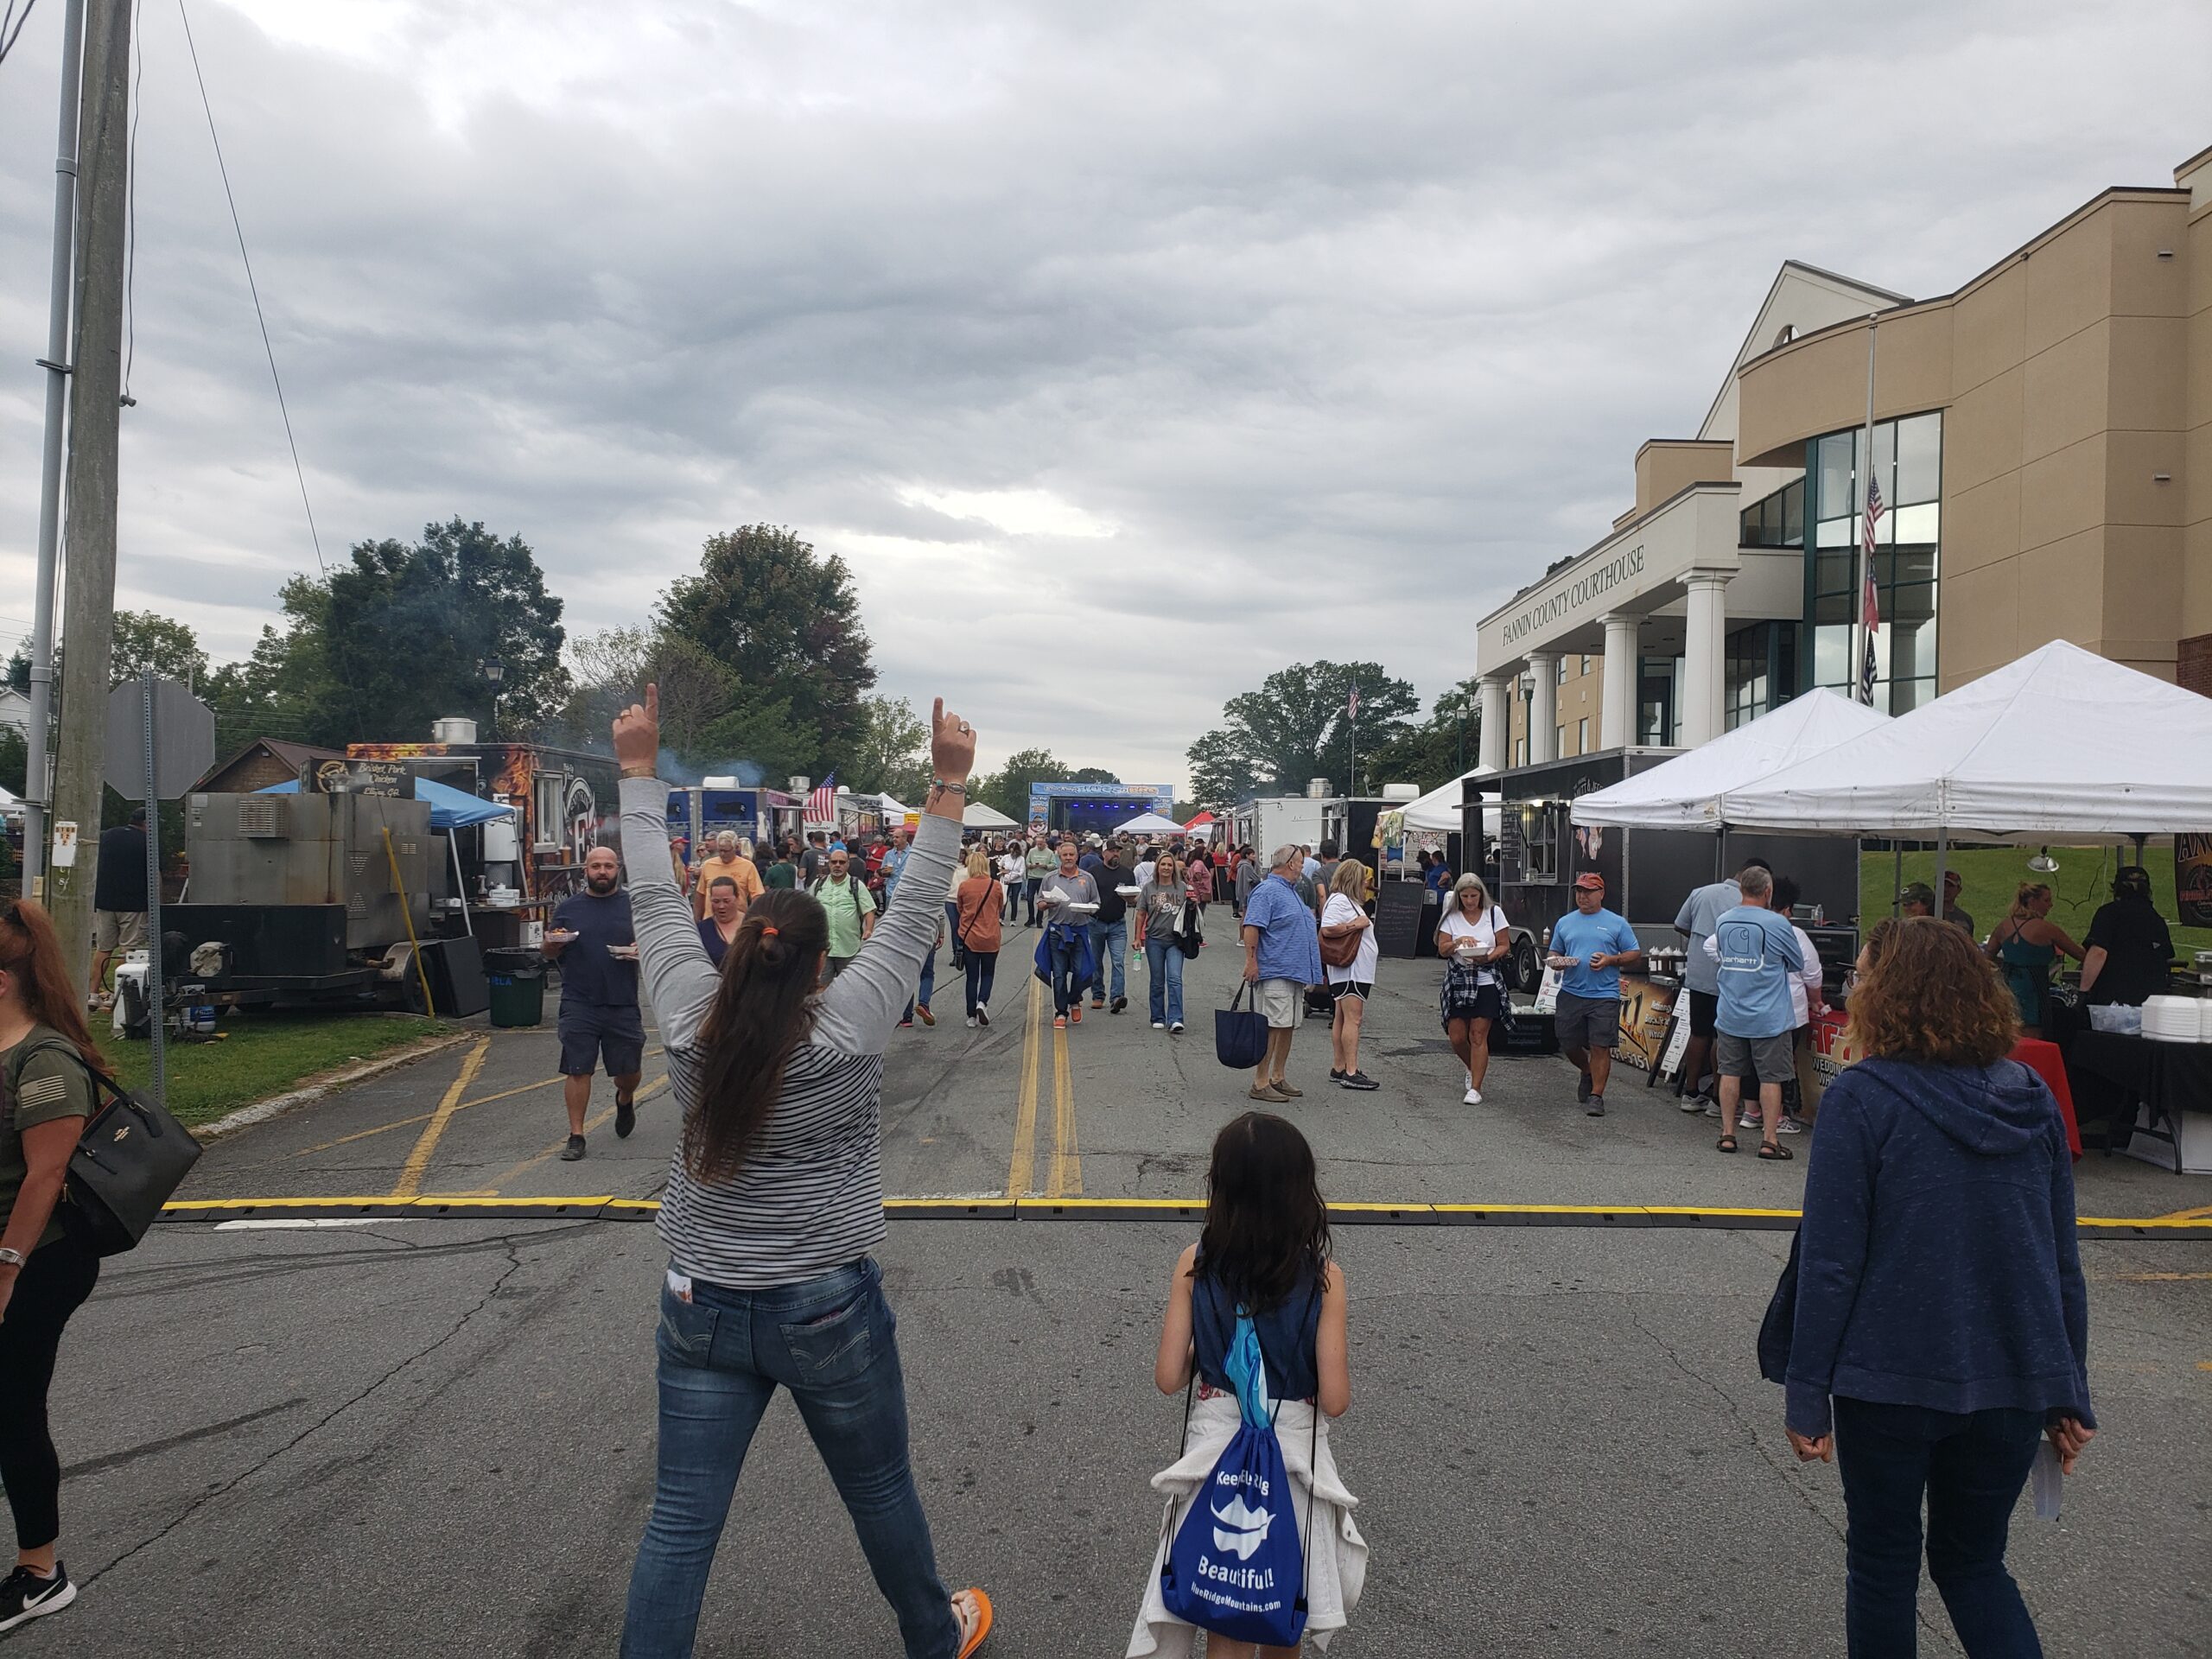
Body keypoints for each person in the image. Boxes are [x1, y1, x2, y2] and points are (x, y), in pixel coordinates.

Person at [611, 689, 993, 1659]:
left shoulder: (689, 1014)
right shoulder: (852, 1024)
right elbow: (912, 908)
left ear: (735, 943)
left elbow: (654, 893)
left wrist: (636, 770)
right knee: (879, 1491)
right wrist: (946, 784)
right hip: (823, 1299)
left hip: (700, 1295)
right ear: (823, 962)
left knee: (680, 1523)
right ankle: (929, 1634)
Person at [1783, 917, 2093, 1658]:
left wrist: (1806, 1390)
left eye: (1862, 975)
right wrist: (2067, 1387)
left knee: (1884, 1568)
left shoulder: (1863, 1097)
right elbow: (2059, 1258)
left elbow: (1830, 1259)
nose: (1854, 986)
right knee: (1975, 1563)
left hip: (1889, 1376)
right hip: (2012, 1378)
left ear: (1889, 994)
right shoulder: (2029, 1094)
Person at [1129, 1111, 1364, 1658]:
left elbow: (1169, 1377)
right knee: (1281, 1605)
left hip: (1218, 1460)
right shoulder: (1326, 1281)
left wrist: (1217, 1349)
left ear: (1222, 1189)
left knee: (1226, 1610)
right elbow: (1335, 1399)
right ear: (1301, 1194)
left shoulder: (1195, 1265)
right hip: (1291, 1469)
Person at [0, 899, 108, 1633]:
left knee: (12, 1412)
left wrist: (6, 1270)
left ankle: (41, 1573)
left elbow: (45, 1176)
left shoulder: (44, 1059)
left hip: (36, 1261)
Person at [543, 844, 645, 1161]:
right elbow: (550, 951)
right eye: (596, 866)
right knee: (578, 1069)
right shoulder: (569, 909)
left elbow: (651, 945)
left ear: (618, 869)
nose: (602, 871)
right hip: (579, 1000)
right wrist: (550, 945)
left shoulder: (633, 906)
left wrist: (641, 948)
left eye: (608, 866)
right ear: (585, 871)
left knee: (630, 1071)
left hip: (622, 1001)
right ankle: (576, 1135)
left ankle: (625, 1097)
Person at [1702, 864, 1803, 1160]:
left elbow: (1720, 955)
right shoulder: (1778, 924)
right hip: (1770, 1016)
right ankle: (1770, 1139)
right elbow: (1797, 963)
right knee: (1771, 1078)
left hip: (1731, 1010)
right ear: (1768, 891)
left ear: (1741, 889)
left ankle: (1728, 1134)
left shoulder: (1723, 921)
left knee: (1730, 1072)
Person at [1671, 861, 1764, 1117]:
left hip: (1698, 973)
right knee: (1720, 1037)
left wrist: (1699, 938)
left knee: (1698, 1033)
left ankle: (1690, 1093)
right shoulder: (1746, 901)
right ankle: (1717, 1097)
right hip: (1729, 976)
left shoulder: (1700, 892)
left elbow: (1679, 924)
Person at [1545, 872, 1642, 1119]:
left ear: (1601, 894)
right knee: (1567, 1041)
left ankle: (1597, 1096)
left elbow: (1634, 953)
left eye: (1588, 891)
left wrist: (1611, 959)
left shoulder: (1616, 923)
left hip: (1604, 994)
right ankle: (1587, 1071)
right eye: (1579, 891)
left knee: (1600, 1045)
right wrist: (1556, 961)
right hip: (1571, 991)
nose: (1582, 896)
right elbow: (1555, 950)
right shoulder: (1565, 922)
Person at [1240, 846, 1323, 1104]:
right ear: (1289, 864)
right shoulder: (1267, 891)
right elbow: (1252, 926)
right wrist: (1251, 961)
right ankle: (1260, 1081)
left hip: (1293, 971)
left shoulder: (1291, 890)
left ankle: (1278, 1076)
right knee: (1272, 1026)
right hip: (1275, 969)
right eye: (1299, 862)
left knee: (1287, 1024)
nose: (1302, 866)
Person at [1437, 874, 1510, 1106]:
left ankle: (1476, 1088)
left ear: (1482, 895)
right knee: (1457, 1036)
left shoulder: (1494, 913)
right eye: (1465, 896)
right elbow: (1442, 949)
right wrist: (1458, 942)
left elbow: (1504, 945)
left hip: (1486, 977)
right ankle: (1471, 1065)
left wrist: (1487, 957)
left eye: (1474, 896)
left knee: (1478, 1035)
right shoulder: (1451, 916)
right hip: (1459, 977)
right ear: (1458, 896)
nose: (1470, 901)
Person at [1983, 882, 2084, 1037]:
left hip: (2008, 985)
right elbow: (2079, 954)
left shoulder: (2004, 925)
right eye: (2046, 900)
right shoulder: (2046, 928)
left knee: (2009, 1028)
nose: (2050, 905)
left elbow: (1987, 956)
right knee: (2033, 1030)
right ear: (2032, 901)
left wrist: (2006, 965)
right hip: (2034, 987)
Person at [1769, 876, 1828, 1132]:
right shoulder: (1794, 933)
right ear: (1788, 909)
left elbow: (1711, 947)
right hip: (1787, 1009)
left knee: (1751, 1063)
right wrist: (1816, 1000)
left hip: (1748, 1007)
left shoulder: (1746, 925)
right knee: (1780, 1066)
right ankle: (1777, 1116)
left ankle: (1751, 1111)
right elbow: (1812, 973)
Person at [1319, 860, 1379, 1091]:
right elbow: (1327, 929)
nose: (1367, 883)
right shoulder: (1341, 901)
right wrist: (1357, 924)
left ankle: (1340, 1065)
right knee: (1353, 1018)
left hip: (1353, 968)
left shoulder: (1344, 900)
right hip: (1352, 968)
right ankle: (1351, 1070)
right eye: (1364, 878)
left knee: (1342, 1017)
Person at [2079, 864, 2175, 1007]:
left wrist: (2083, 992)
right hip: (2150, 1004)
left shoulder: (2109, 913)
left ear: (2116, 888)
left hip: (2113, 1003)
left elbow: (2098, 953)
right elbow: (2165, 958)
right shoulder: (2156, 920)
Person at [86, 808, 149, 1008]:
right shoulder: (147, 842)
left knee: (103, 948)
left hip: (105, 901)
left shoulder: (109, 835)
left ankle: (92, 994)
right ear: (146, 823)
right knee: (127, 950)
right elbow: (154, 874)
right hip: (133, 904)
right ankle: (119, 997)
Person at [1036, 841, 1100, 1028]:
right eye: (1065, 855)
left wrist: (1089, 909)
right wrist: (1048, 903)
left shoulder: (1087, 878)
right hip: (1057, 931)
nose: (1069, 858)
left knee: (1081, 972)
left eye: (1072, 855)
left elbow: (1096, 903)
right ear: (1059, 856)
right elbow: (1039, 903)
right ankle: (1061, 1011)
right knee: (1059, 974)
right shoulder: (1050, 878)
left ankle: (1074, 999)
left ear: (1077, 856)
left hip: (1080, 931)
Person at [1135, 852, 1189, 1033]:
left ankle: (1175, 1018)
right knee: (1157, 980)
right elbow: (1141, 913)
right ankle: (1158, 1016)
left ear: (1174, 868)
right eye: (1163, 865)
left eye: (1169, 865)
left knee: (1174, 979)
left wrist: (1194, 903)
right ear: (1157, 867)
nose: (1166, 868)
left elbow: (1189, 912)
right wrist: (1137, 938)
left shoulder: (1181, 887)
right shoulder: (1149, 888)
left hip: (1175, 940)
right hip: (1154, 940)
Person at [810, 845, 877, 979]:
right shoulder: (818, 884)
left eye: (842, 862)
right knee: (821, 992)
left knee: (849, 990)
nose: (837, 865)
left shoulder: (856, 885)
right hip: (824, 950)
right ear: (829, 864)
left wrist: (868, 930)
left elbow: (869, 910)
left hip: (848, 948)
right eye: (834, 862)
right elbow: (807, 909)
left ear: (848, 864)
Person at [954, 849, 1002, 1027]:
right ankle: (983, 1002)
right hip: (991, 935)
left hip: (970, 936)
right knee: (988, 973)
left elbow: (960, 908)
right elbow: (1000, 907)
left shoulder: (965, 886)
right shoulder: (995, 885)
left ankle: (971, 1016)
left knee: (972, 977)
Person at [1087, 844, 1132, 1014]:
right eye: (1112, 851)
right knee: (1096, 961)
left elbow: (1133, 900)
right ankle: (1098, 995)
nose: (1116, 854)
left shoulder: (1127, 873)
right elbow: (1086, 894)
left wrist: (1130, 898)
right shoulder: (1093, 872)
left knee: (1118, 961)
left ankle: (1117, 998)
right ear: (1104, 853)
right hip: (1096, 922)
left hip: (1117, 923)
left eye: (1118, 851)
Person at [693, 830, 763, 921]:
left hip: (738, 923)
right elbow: (700, 895)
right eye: (720, 850)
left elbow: (757, 896)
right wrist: (696, 920)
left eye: (726, 851)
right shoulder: (708, 865)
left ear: (736, 848)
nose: (722, 854)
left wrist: (751, 919)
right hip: (711, 922)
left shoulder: (748, 866)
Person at [696, 875, 743, 968]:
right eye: (716, 901)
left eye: (726, 901)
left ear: (737, 898)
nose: (721, 906)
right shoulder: (702, 929)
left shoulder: (751, 924)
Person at [1023, 836, 1056, 927]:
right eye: (1038, 844)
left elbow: (1054, 864)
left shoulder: (1049, 852)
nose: (1039, 846)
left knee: (1041, 900)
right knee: (1030, 899)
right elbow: (1027, 862)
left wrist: (1045, 866)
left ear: (1045, 843)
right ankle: (1031, 918)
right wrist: (1031, 866)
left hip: (1043, 878)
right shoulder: (1032, 851)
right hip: (1032, 877)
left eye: (1041, 844)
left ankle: (1039, 920)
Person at [995, 842, 1026, 924]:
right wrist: (1003, 871)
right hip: (1006, 880)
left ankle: (1013, 919)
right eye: (1011, 851)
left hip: (1016, 881)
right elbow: (999, 865)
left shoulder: (1021, 859)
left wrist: (1012, 877)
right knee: (1004, 900)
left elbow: (1021, 872)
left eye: (1014, 852)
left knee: (1014, 901)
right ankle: (1001, 917)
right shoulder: (1006, 857)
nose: (1013, 853)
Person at [1942, 869, 1974, 935]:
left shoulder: (1966, 919)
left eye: (1950, 886)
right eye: (1943, 885)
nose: (1945, 889)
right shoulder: (1927, 912)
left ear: (1959, 890)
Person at [1234, 846, 1262, 918]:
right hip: (1247, 891)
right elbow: (1256, 878)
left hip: (1247, 891)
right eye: (1252, 854)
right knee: (1246, 915)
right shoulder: (1246, 866)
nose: (1254, 856)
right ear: (1247, 855)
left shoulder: (1252, 864)